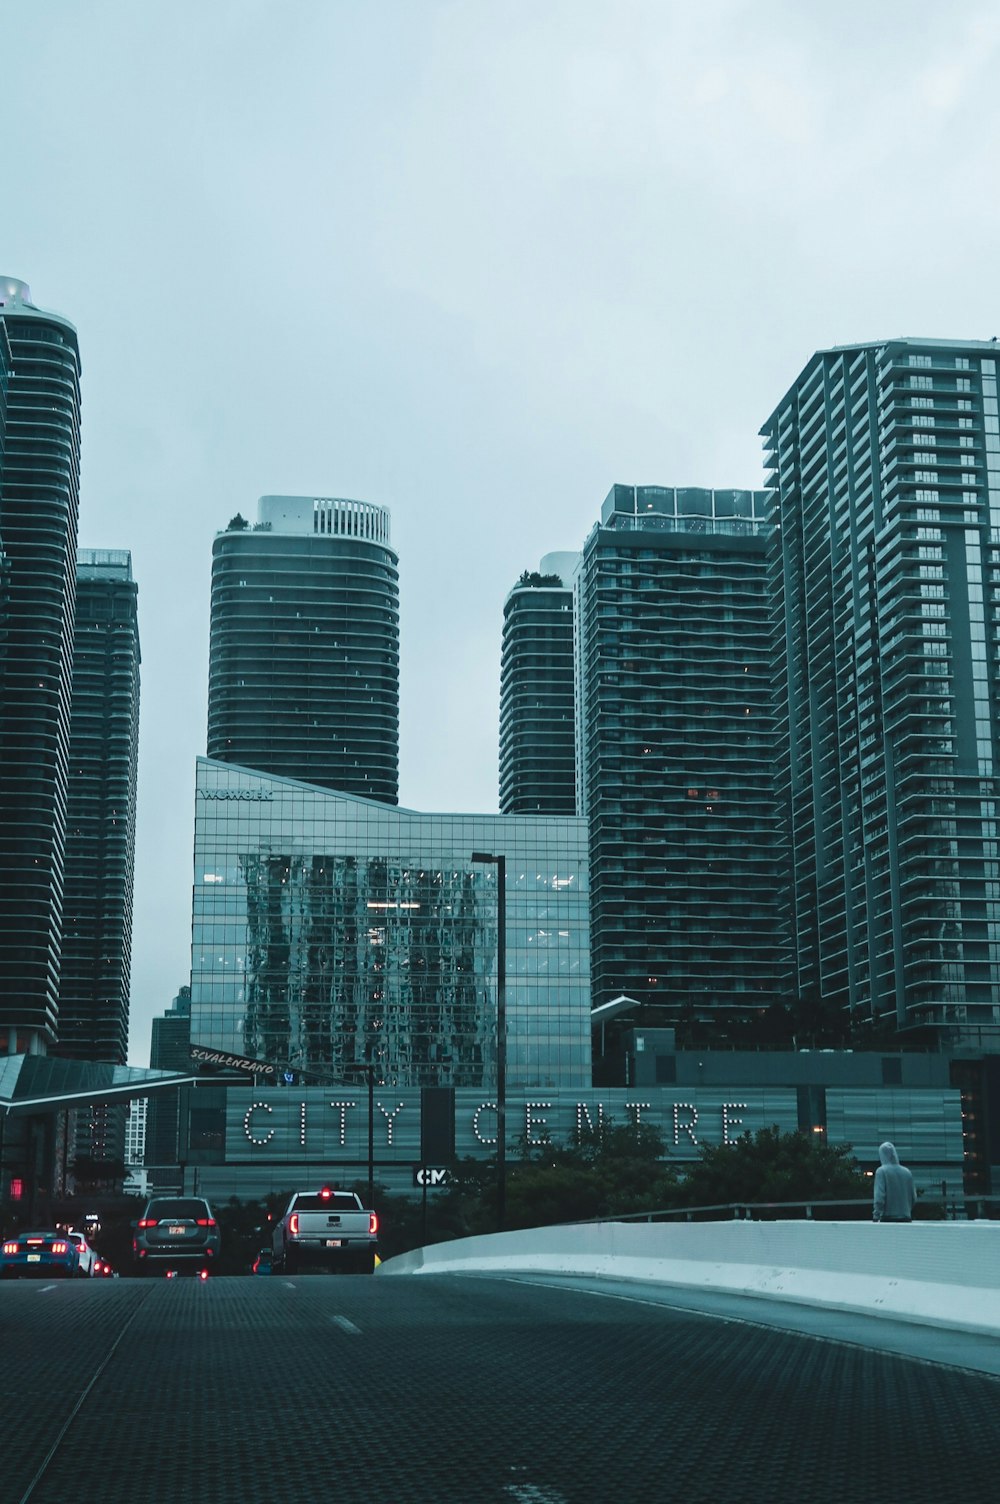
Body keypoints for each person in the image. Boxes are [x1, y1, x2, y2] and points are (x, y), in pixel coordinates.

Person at [873, 1142, 916, 1223]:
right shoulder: (907, 1172)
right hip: (906, 1217)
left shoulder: (881, 1171)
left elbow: (879, 1197)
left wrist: (876, 1214)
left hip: (888, 1217)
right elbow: (913, 1197)